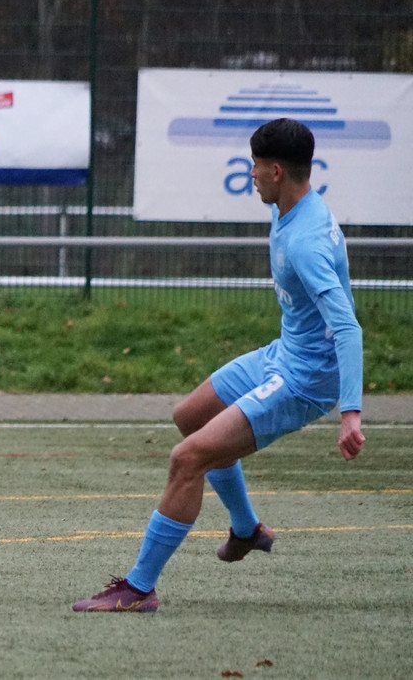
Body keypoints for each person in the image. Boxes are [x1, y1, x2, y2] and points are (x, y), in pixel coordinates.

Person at [71, 118, 365, 612]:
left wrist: (350, 413)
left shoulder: (306, 242)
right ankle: (246, 529)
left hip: (304, 380)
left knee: (187, 458)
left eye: (255, 165)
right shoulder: (296, 207)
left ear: (276, 171)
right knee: (190, 415)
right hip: (284, 353)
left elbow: (348, 328)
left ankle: (138, 589)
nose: (250, 174)